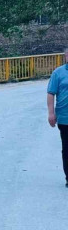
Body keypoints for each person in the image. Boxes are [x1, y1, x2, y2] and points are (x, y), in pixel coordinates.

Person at [47, 47, 68, 188]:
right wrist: (51, 113)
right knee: (67, 148)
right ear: (66, 56)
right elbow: (51, 93)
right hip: (65, 117)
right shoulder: (58, 73)